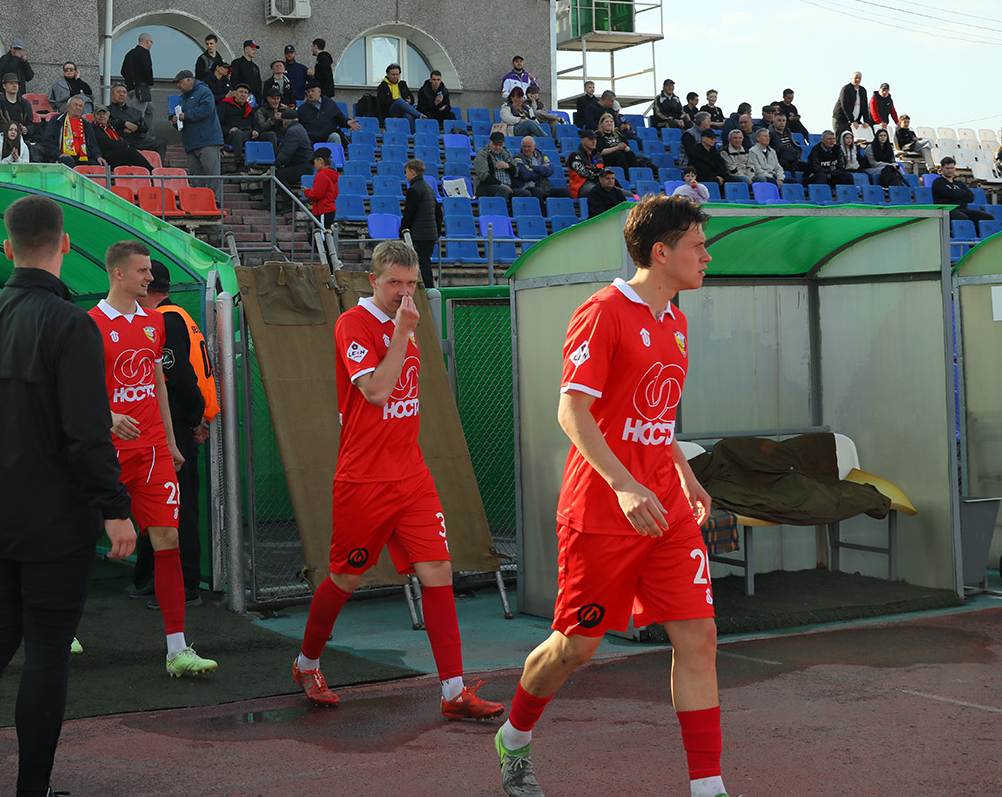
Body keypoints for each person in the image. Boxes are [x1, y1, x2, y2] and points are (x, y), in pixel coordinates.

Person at [494, 196, 722, 797]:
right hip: (602, 511)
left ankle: (709, 787)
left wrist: (685, 474)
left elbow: (655, 419)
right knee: (576, 647)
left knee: (698, 637)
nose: (706, 256)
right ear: (661, 252)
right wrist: (623, 484)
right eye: (697, 245)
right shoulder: (602, 313)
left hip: (665, 509)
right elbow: (572, 412)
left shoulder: (675, 322)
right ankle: (514, 735)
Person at [0, 196, 136, 797]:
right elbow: (86, 432)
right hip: (55, 519)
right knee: (47, 651)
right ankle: (32, 789)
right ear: (66, 244)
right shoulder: (71, 324)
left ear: (6, 247)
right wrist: (115, 508)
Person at [292, 240, 504, 720]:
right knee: (346, 577)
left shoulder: (404, 322)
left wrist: (403, 331)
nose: (404, 292)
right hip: (364, 479)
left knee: (439, 570)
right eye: (394, 283)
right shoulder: (355, 323)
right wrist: (403, 333)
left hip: (411, 473)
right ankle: (307, 663)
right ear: (373, 280)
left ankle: (453, 692)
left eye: (411, 283)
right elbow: (377, 392)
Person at [87, 242, 218, 677]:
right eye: (142, 271)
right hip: (105, 454)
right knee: (74, 542)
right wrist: (108, 416)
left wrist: (171, 442)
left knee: (168, 539)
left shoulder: (154, 322)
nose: (150, 278)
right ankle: (57, 626)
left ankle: (177, 650)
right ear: (118, 273)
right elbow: (72, 390)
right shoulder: (89, 325)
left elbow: (158, 383)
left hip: (155, 450)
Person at [130, 262, 209, 607]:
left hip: (175, 423)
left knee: (180, 508)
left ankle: (186, 584)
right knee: (156, 505)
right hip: (166, 422)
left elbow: (178, 377)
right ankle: (151, 577)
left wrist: (192, 421)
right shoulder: (171, 316)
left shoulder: (166, 319)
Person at [174, 70, 223, 187]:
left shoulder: (204, 91)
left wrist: (186, 115)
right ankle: (197, 197)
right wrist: (176, 120)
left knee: (212, 175)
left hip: (207, 140)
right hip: (191, 142)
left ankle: (214, 198)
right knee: (195, 177)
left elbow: (206, 110)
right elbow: (183, 116)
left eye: (180, 82)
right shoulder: (183, 98)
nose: (178, 85)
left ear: (189, 80)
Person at [400, 159, 440, 288]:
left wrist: (402, 231)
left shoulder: (414, 190)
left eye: (406, 172)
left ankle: (427, 292)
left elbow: (409, 213)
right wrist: (437, 233)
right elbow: (439, 213)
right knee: (425, 264)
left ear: (413, 172)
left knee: (422, 267)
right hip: (430, 234)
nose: (405, 176)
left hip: (419, 235)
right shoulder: (429, 189)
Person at [107, 83, 165, 162]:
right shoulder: (107, 110)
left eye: (124, 92)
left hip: (136, 139)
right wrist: (124, 124)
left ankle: (157, 168)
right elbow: (107, 124)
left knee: (160, 145)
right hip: (119, 140)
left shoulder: (135, 112)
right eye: (119, 92)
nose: (122, 94)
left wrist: (136, 127)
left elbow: (144, 127)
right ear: (112, 95)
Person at [38, 95, 96, 167]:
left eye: (80, 106)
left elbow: (93, 143)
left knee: (97, 165)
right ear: (68, 107)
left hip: (82, 157)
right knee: (68, 162)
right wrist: (58, 154)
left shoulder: (86, 124)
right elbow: (47, 140)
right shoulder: (57, 120)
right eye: (75, 105)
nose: (78, 108)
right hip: (62, 156)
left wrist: (98, 156)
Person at [932, 157, 993, 224]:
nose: (950, 170)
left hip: (962, 209)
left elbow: (970, 198)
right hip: (947, 210)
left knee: (988, 217)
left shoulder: (959, 183)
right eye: (947, 168)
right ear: (942, 169)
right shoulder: (938, 182)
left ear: (955, 169)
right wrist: (962, 193)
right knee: (963, 218)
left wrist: (955, 192)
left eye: (952, 168)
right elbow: (950, 194)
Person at [120, 32, 156, 135]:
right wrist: (150, 82)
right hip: (141, 89)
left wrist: (130, 81)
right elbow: (147, 68)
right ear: (147, 42)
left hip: (131, 88)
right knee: (137, 116)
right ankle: (139, 138)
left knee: (149, 110)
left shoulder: (129, 54)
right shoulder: (144, 52)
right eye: (151, 42)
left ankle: (149, 135)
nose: (151, 45)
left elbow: (122, 71)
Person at [304, 147, 340, 239]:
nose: (314, 165)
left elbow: (316, 194)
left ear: (320, 161)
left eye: (314, 162)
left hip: (323, 211)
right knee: (320, 236)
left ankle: (327, 249)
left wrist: (307, 191)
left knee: (322, 238)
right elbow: (335, 193)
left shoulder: (321, 175)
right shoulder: (332, 175)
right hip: (329, 209)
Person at [0, 71, 35, 142]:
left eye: (16, 83)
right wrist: (10, 131)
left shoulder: (25, 103)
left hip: (22, 139)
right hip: (2, 138)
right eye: (11, 83)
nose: (14, 85)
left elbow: (31, 125)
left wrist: (26, 129)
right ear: (4, 86)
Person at [473, 131, 515, 199]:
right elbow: (484, 176)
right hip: (487, 186)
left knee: (525, 193)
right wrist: (500, 184)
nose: (498, 147)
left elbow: (516, 171)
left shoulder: (507, 154)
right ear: (490, 142)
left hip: (508, 186)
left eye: (500, 145)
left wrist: (508, 166)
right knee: (502, 190)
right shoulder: (482, 154)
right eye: (495, 144)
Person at [510, 136, 555, 201]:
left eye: (529, 146)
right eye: (524, 146)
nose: (526, 149)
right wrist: (542, 172)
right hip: (527, 187)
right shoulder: (517, 158)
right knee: (537, 191)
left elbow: (550, 170)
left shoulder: (542, 155)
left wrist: (534, 168)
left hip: (544, 187)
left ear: (534, 146)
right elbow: (525, 175)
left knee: (564, 192)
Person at [567, 129, 606, 199]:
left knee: (623, 193)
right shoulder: (575, 155)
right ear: (583, 140)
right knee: (601, 192)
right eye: (591, 139)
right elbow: (584, 173)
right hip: (581, 185)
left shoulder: (598, 155)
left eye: (595, 139)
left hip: (598, 183)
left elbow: (603, 171)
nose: (594, 141)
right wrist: (599, 174)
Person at [832, 71, 871, 135]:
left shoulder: (862, 90)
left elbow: (865, 107)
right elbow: (845, 105)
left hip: (856, 120)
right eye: (856, 78)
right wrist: (852, 121)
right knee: (841, 137)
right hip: (842, 119)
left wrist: (866, 121)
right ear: (851, 79)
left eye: (859, 78)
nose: (857, 80)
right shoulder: (846, 89)